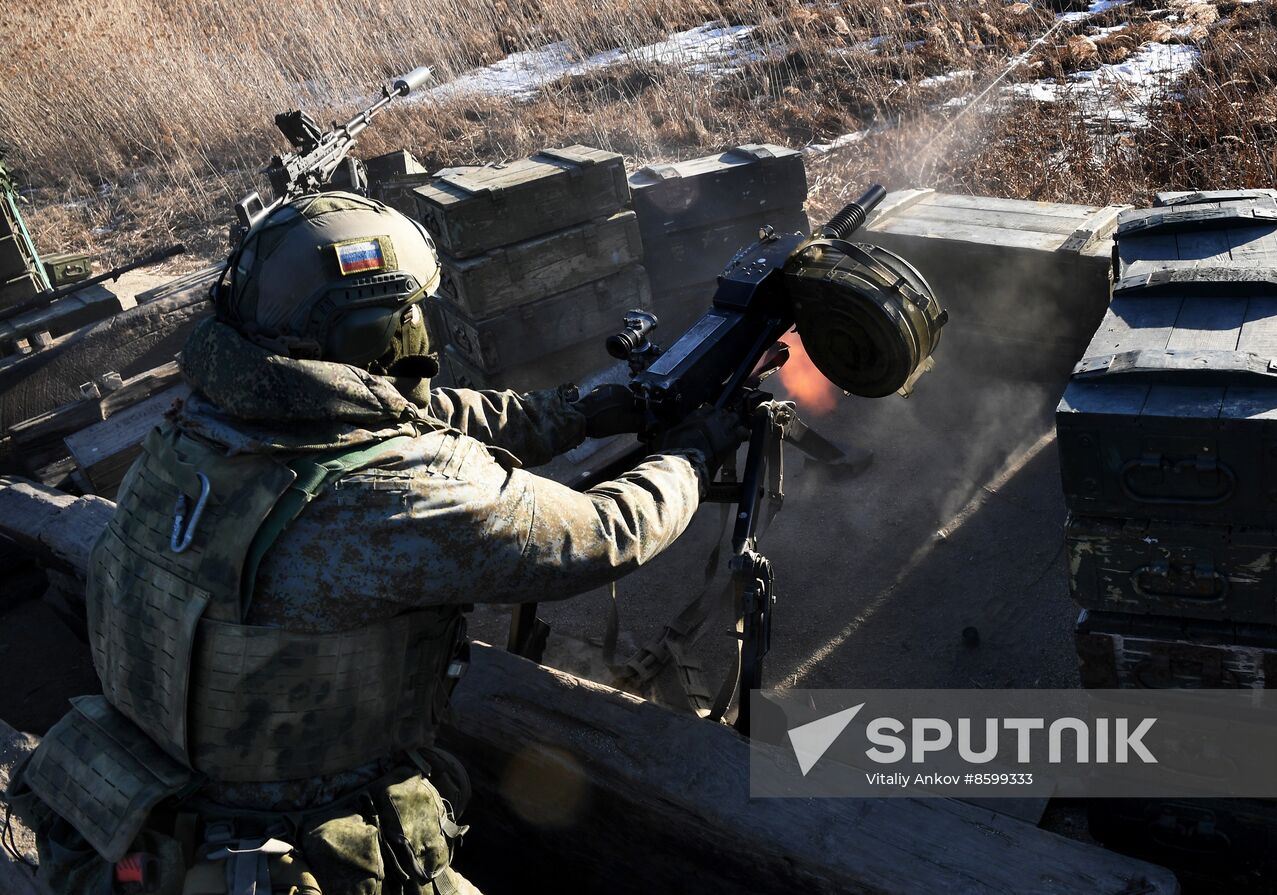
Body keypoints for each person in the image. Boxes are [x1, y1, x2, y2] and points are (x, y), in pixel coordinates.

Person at [4, 191, 744, 894]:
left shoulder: (201, 423)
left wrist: (578, 412)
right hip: (301, 851)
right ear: (382, 334)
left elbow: (398, 410)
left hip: (146, 817)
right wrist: (690, 455)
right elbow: (606, 534)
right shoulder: (390, 495)